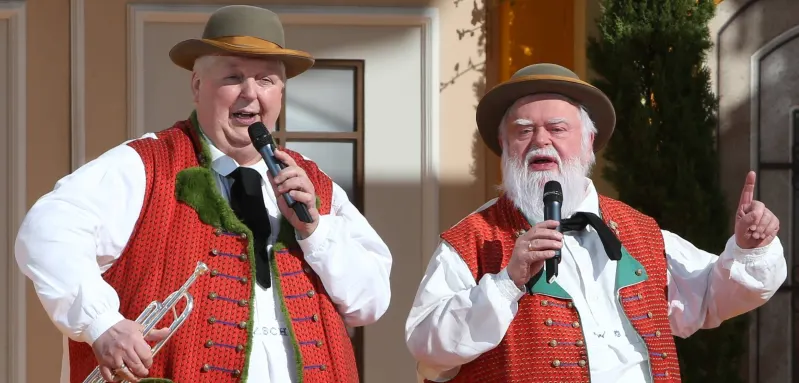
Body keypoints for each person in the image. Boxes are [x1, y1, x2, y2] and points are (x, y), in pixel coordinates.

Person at [16, 5, 392, 383]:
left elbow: (369, 301)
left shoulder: (314, 183)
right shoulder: (144, 164)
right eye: (233, 77)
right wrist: (101, 322)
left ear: (281, 92)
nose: (250, 94)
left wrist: (316, 232)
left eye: (266, 80)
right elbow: (48, 231)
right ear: (197, 86)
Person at [404, 63, 786, 382]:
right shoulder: (472, 239)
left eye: (557, 129)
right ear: (504, 147)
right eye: (523, 131)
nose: (541, 141)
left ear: (588, 143)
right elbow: (427, 347)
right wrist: (506, 284)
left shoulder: (640, 230)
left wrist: (749, 250)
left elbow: (709, 297)